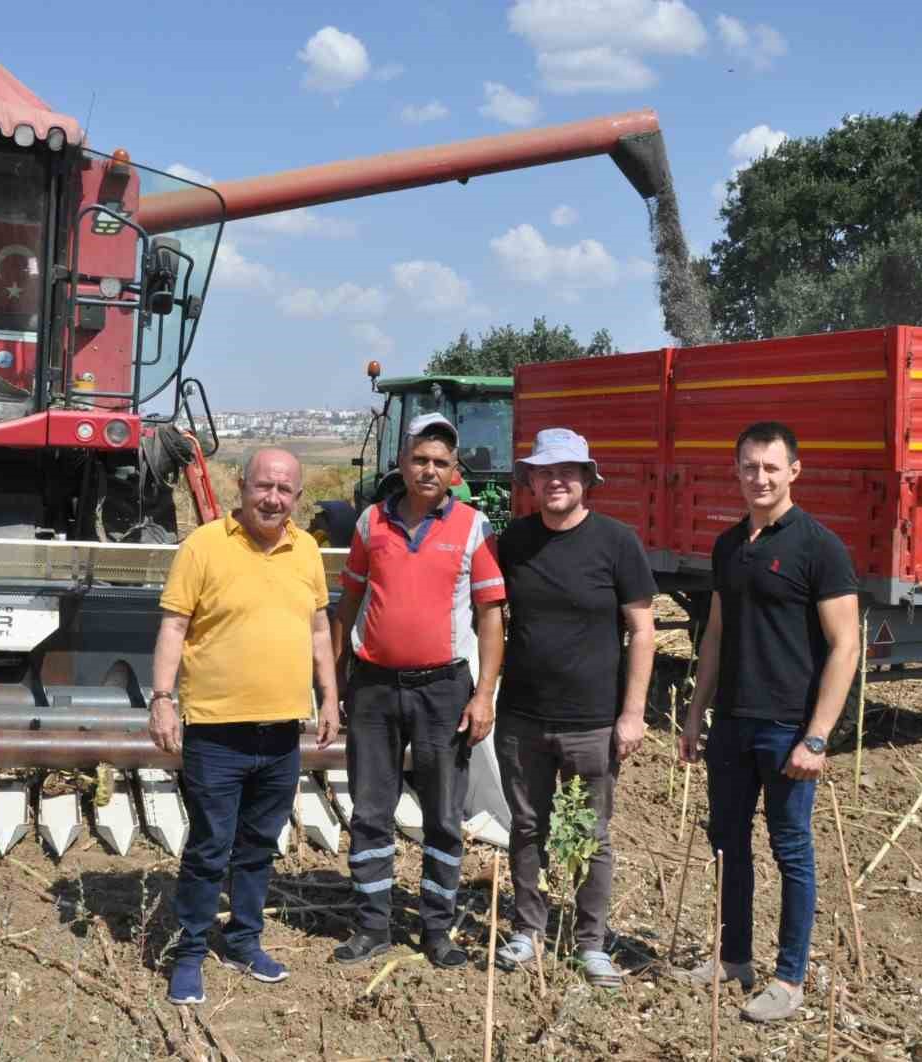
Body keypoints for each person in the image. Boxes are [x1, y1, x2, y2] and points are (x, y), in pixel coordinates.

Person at [677, 421, 861, 1022]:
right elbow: (716, 636)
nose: (760, 477)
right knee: (728, 844)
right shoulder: (728, 546)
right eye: (750, 467)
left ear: (794, 471)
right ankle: (734, 958)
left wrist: (816, 735)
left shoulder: (820, 548)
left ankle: (789, 977)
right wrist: (695, 712)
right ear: (737, 470)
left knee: (790, 850)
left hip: (787, 729)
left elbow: (845, 647)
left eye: (771, 467)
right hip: (732, 723)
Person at [149, 447, 339, 1006]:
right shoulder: (203, 546)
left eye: (285, 490)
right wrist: (162, 698)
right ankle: (188, 953)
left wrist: (329, 696)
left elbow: (320, 630)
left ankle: (243, 940)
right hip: (216, 729)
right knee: (211, 846)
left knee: (258, 846)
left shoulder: (306, 550)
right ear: (240, 486)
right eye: (263, 486)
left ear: (298, 498)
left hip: (282, 731)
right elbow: (174, 626)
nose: (273, 498)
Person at [330, 412, 506, 969]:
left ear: (455, 473)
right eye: (420, 459)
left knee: (443, 811)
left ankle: (437, 929)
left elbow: (491, 616)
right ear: (402, 464)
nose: (429, 469)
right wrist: (335, 680)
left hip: (444, 690)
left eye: (441, 462)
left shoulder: (473, 528)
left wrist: (484, 696)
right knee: (371, 807)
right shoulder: (369, 526)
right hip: (374, 689)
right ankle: (372, 926)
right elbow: (349, 604)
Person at [491, 428, 657, 989]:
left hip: (592, 721)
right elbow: (486, 617)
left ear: (587, 479)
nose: (555, 480)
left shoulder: (616, 542)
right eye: (544, 472)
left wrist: (632, 714)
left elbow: (642, 630)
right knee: (527, 825)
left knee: (592, 832)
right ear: (530, 482)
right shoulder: (513, 543)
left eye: (568, 471)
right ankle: (527, 930)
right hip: (521, 718)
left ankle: (591, 942)